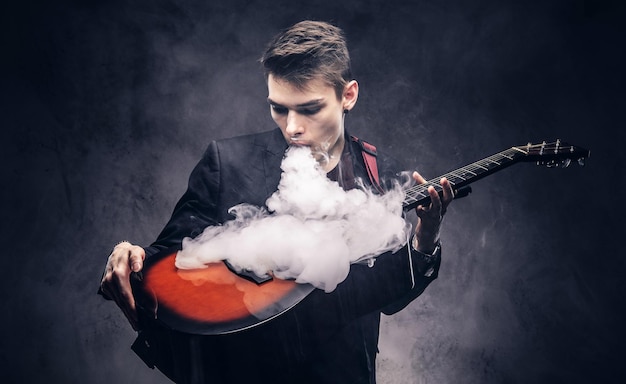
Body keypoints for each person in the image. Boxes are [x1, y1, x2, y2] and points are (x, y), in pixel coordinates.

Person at [99, 20, 454, 384]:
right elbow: (173, 255)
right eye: (279, 108)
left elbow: (388, 297)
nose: (292, 127)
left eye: (309, 109)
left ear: (348, 95)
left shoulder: (379, 173)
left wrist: (426, 236)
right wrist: (133, 254)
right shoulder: (227, 161)